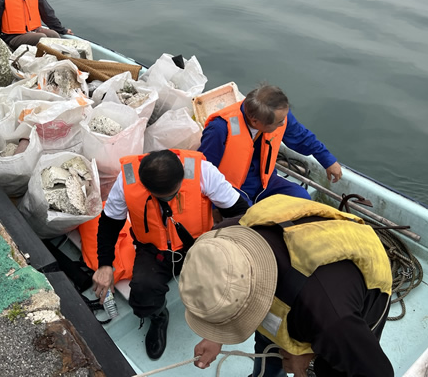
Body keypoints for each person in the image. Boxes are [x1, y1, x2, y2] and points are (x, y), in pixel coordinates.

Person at [178, 194, 394, 377]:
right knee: (270, 336)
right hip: (292, 271)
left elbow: (378, 372)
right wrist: (216, 334)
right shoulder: (221, 241)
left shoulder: (332, 320)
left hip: (360, 277)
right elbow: (227, 288)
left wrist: (309, 364)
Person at [92, 149, 249, 360]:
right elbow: (110, 223)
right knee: (142, 296)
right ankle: (159, 317)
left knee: (230, 282)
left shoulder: (203, 171)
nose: (168, 199)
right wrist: (104, 264)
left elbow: (239, 211)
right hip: (153, 250)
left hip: (198, 244)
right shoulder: (126, 180)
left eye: (173, 194)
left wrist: (225, 245)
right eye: (161, 197)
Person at [199, 84, 342, 207]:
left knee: (301, 198)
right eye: (279, 122)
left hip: (264, 182)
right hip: (231, 188)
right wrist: (214, 206)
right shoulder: (220, 128)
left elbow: (301, 137)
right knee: (248, 217)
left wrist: (328, 160)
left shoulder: (280, 116)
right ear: (255, 122)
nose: (283, 124)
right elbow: (200, 170)